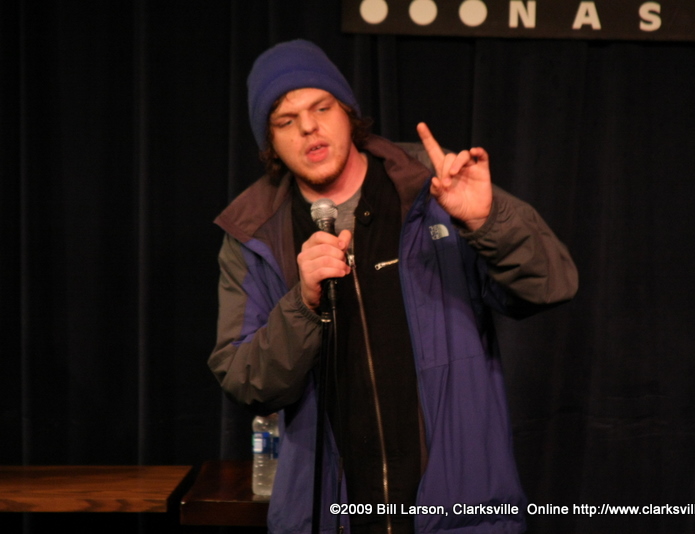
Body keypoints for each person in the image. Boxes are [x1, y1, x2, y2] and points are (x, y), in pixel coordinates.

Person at [209, 39, 578, 534]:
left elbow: (551, 284)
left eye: (322, 107)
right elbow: (245, 381)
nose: (308, 127)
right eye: (285, 120)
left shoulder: (432, 188)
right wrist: (302, 305)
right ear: (270, 143)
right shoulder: (254, 233)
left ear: (349, 114)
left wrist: (486, 221)